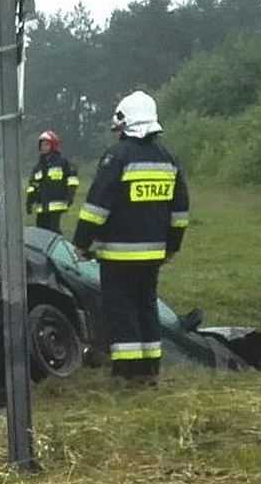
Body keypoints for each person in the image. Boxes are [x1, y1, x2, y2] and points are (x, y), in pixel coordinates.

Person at [72, 91, 190, 383]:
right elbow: (180, 209)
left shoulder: (118, 157)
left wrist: (81, 242)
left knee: (122, 311)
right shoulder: (168, 159)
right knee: (147, 308)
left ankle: (127, 376)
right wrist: (173, 245)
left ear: (127, 121)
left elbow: (97, 206)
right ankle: (150, 371)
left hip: (119, 255)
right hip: (153, 255)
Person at [26, 130, 80, 234]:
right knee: (41, 231)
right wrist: (29, 201)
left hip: (57, 204)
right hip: (42, 206)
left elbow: (72, 180)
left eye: (46, 145)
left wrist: (70, 195)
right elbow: (33, 185)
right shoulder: (38, 167)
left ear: (53, 145)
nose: (43, 147)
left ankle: (59, 249)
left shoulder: (63, 163)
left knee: (54, 230)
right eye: (41, 145)